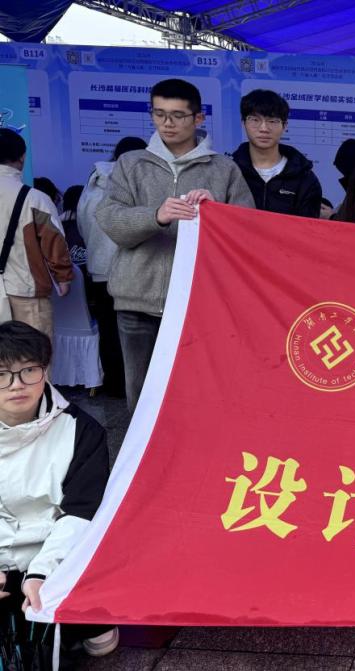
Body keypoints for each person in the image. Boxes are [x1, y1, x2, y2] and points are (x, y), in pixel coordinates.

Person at [97, 78, 254, 414]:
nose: (167, 123)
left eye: (178, 115)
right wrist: (156, 215)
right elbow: (109, 219)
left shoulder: (223, 169)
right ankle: (142, 450)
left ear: (198, 118)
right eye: (159, 114)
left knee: (197, 394)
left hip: (199, 302)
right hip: (137, 300)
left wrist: (218, 213)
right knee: (141, 397)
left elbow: (247, 231)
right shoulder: (131, 163)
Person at [0, 321, 118, 658]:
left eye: (29, 370)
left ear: (46, 369)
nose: (16, 384)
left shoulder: (82, 430)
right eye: (2, 374)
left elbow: (82, 511)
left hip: (54, 557)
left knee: (99, 644)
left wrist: (42, 572)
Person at [77, 136, 147, 399]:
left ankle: (115, 385)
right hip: (133, 271)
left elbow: (83, 226)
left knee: (108, 330)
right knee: (138, 333)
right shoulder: (137, 181)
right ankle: (139, 389)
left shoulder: (92, 185)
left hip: (99, 269)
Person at [0, 130, 72, 340]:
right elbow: (54, 241)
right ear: (22, 157)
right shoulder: (35, 199)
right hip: (26, 292)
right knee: (33, 354)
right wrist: (63, 277)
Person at [231, 89, 322, 218]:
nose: (264, 128)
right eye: (255, 120)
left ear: (285, 126)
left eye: (272, 121)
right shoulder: (230, 171)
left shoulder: (305, 179)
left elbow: (308, 227)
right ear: (243, 123)